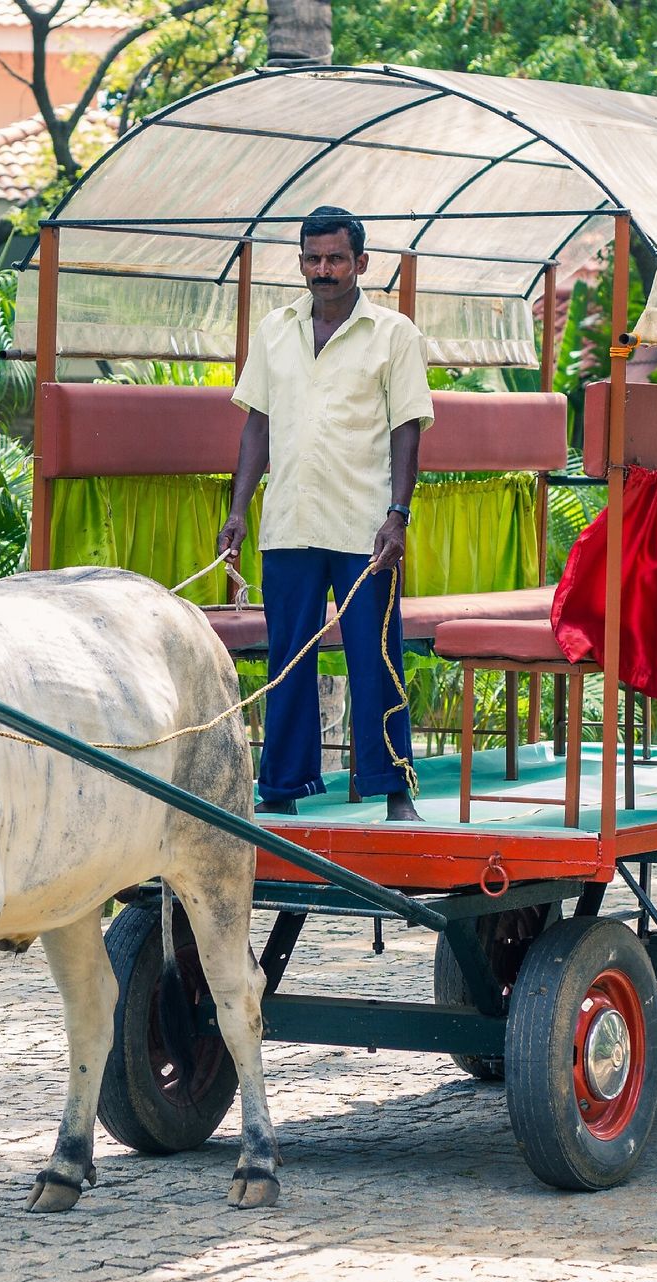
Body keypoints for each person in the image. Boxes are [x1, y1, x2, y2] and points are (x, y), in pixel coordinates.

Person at [218, 206, 432, 821]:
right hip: (288, 520)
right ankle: (282, 790)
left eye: (335, 258)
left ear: (361, 263)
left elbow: (407, 429)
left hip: (365, 524)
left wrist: (399, 513)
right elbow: (256, 425)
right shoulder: (275, 330)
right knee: (288, 656)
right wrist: (238, 510)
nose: (323, 270)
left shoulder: (394, 334)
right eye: (312, 258)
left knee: (375, 655)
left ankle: (393, 790)